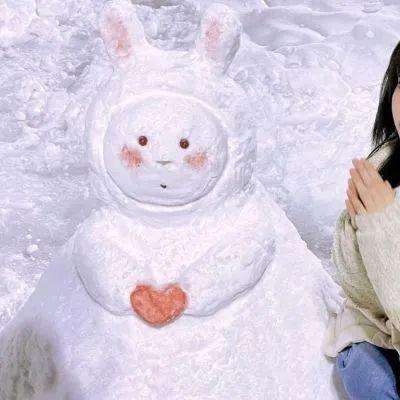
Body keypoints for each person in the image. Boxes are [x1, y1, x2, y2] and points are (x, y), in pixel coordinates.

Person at [323, 42, 400, 399]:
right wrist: (359, 229)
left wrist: (381, 228)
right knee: (361, 367)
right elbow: (358, 290)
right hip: (382, 332)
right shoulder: (385, 162)